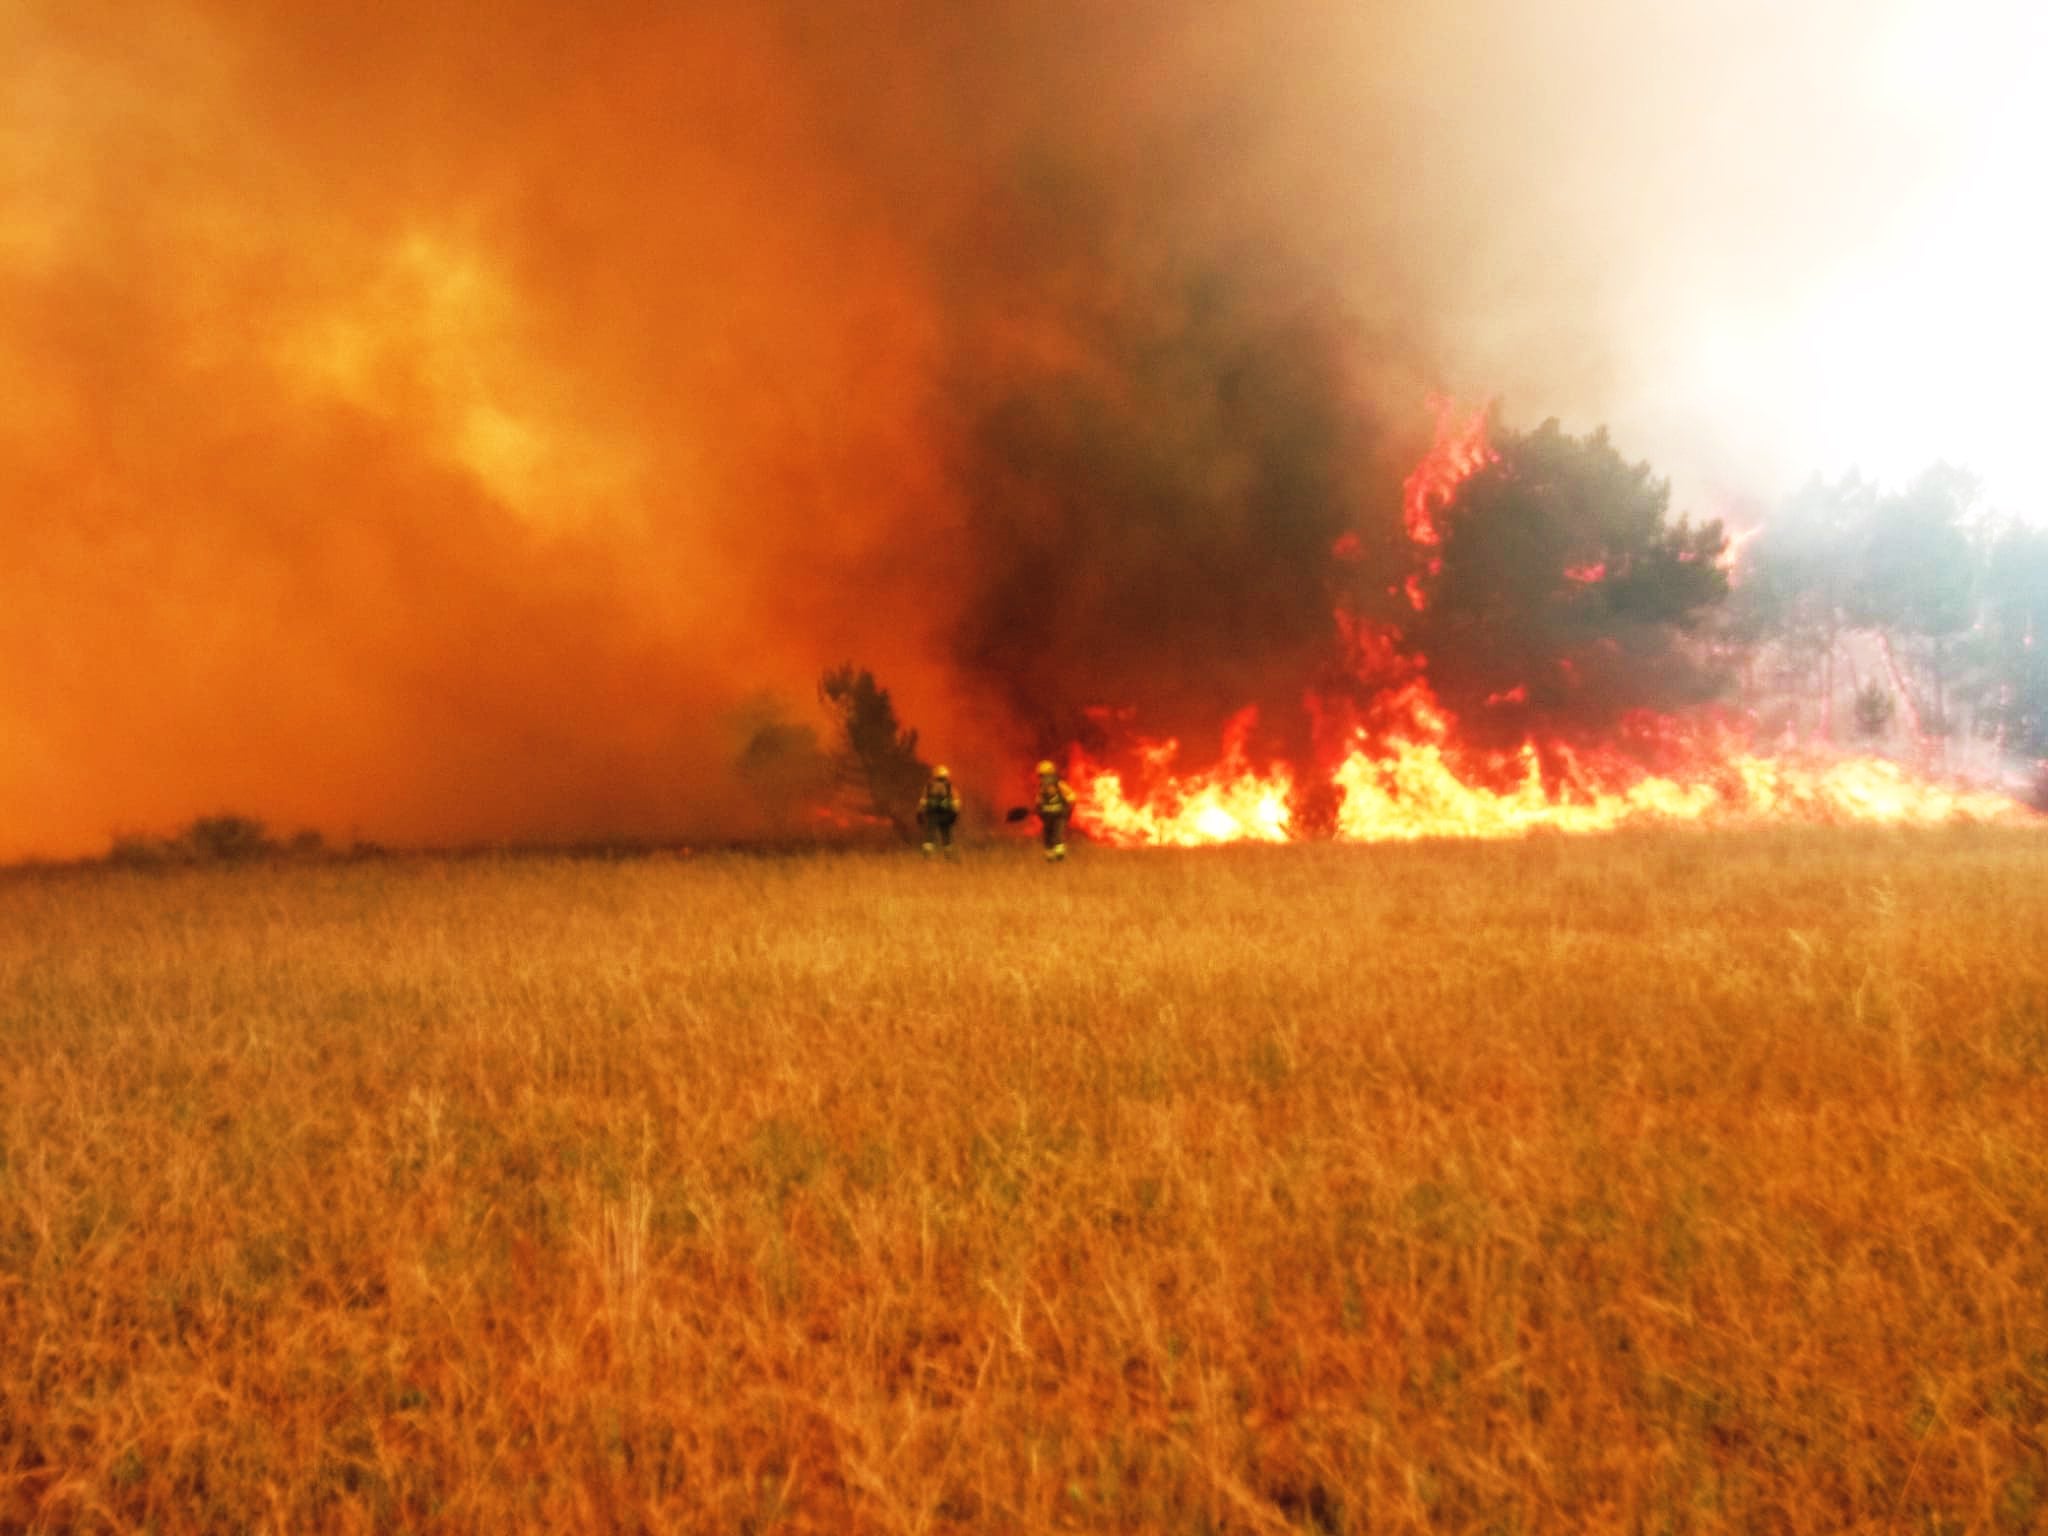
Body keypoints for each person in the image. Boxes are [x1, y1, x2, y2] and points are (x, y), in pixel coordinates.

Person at [1033, 759, 1076, 862]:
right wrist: (1038, 809)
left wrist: (1069, 808)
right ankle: (1050, 853)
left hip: (1059, 815)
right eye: (1042, 776)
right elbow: (1039, 800)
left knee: (1058, 833)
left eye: (1043, 775)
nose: (1044, 779)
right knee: (1047, 834)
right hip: (1048, 816)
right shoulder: (1041, 788)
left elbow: (1071, 796)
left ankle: (1059, 851)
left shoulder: (1059, 784)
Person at [917, 765, 961, 856]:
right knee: (946, 833)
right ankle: (948, 854)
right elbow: (956, 802)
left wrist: (919, 813)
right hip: (945, 815)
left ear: (935, 775)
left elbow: (923, 801)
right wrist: (955, 814)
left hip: (932, 814)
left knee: (929, 833)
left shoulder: (929, 786)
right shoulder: (950, 787)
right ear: (946, 775)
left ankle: (927, 854)